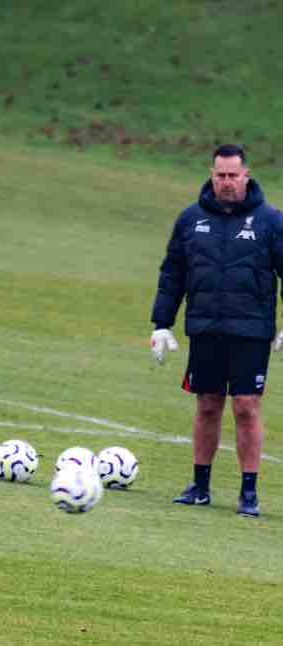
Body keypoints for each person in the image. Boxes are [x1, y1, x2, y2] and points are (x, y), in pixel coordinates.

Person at [151, 143, 283, 518]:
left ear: (247, 176)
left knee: (246, 406)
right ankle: (200, 486)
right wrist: (161, 324)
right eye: (220, 175)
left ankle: (249, 493)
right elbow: (172, 273)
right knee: (208, 405)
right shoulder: (191, 220)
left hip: (251, 332)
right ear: (212, 176)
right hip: (206, 328)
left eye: (233, 175)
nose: (226, 182)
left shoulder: (271, 222)